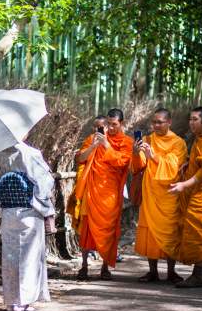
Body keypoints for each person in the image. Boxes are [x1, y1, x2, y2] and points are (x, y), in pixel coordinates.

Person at [0, 139, 55, 311]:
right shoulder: (32, 154)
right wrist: (46, 209)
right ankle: (23, 302)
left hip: (8, 211)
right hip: (30, 210)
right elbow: (45, 182)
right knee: (29, 257)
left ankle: (11, 302)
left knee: (10, 257)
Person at [169, 106, 202, 288]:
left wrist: (184, 184)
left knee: (200, 230)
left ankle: (197, 275)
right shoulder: (200, 139)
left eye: (195, 119)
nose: (191, 123)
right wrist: (188, 164)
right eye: (190, 119)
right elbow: (199, 163)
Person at [75, 108, 133, 280]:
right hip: (92, 190)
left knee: (109, 230)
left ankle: (105, 267)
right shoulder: (93, 138)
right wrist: (94, 145)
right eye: (108, 123)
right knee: (87, 230)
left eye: (114, 124)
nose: (111, 127)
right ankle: (84, 265)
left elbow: (122, 163)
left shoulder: (126, 142)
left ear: (121, 123)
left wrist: (107, 145)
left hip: (110, 194)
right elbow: (80, 159)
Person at [132, 108, 188, 283]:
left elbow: (174, 167)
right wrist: (136, 152)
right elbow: (139, 166)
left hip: (169, 193)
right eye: (154, 122)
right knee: (149, 231)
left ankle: (171, 271)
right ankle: (153, 271)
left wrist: (153, 156)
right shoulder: (148, 139)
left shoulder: (178, 143)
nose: (156, 125)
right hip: (150, 191)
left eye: (160, 122)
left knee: (171, 231)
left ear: (169, 122)